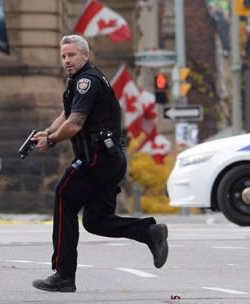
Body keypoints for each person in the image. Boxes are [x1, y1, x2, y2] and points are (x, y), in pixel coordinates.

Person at [30, 34, 168, 292]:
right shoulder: (78, 81)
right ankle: (150, 233)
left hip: (96, 160)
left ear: (85, 55)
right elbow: (66, 114)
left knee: (63, 195)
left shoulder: (87, 82)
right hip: (108, 160)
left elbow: (75, 123)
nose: (67, 60)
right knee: (96, 220)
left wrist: (51, 141)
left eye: (71, 55)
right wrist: (47, 132)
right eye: (63, 56)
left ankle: (63, 275)